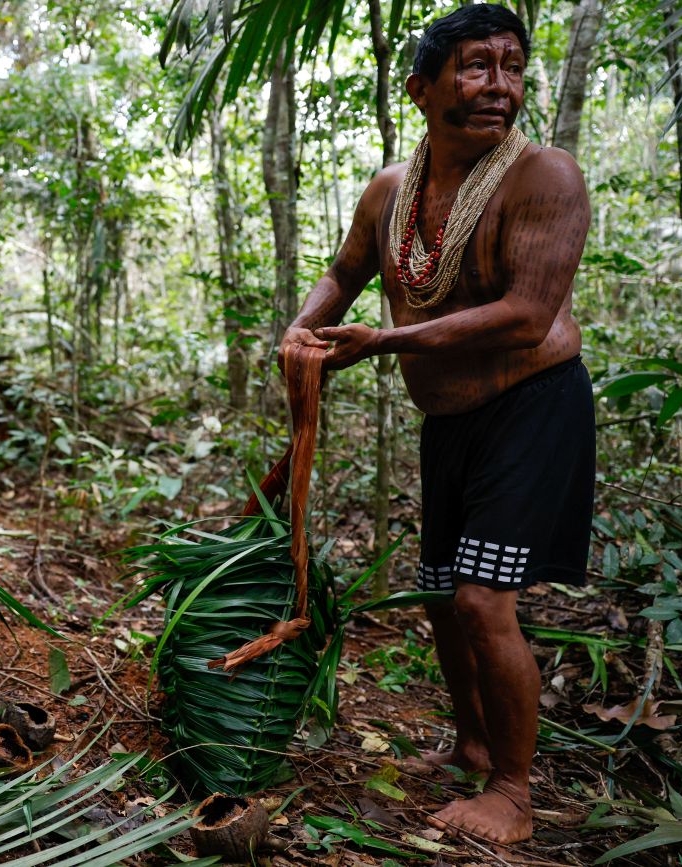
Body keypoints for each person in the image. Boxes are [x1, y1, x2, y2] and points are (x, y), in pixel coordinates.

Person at [279, 4, 592, 845]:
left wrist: (383, 341)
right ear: (421, 90)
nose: (500, 86)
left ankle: (513, 792)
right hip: (447, 419)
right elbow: (344, 272)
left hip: (534, 408)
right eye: (477, 66)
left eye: (513, 67)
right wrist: (301, 330)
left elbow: (527, 316)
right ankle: (471, 744)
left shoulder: (546, 177)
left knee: (484, 599)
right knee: (444, 601)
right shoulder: (392, 190)